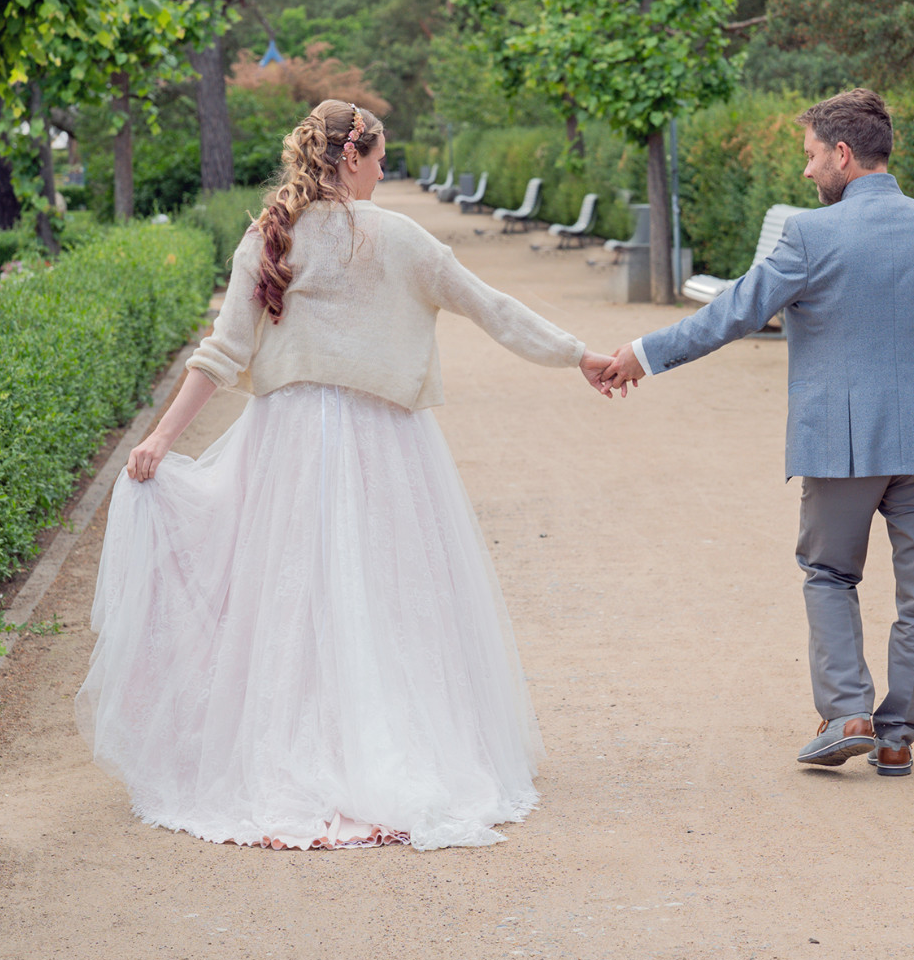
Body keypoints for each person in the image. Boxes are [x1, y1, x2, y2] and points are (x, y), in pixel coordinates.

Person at [78, 99, 616, 850]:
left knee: (290, 598)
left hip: (288, 440)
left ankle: (293, 752)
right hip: (384, 444)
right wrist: (577, 355)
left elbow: (222, 351)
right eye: (379, 159)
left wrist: (162, 439)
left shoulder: (271, 235)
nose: (383, 173)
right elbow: (491, 308)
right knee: (386, 597)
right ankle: (382, 745)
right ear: (352, 156)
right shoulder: (398, 238)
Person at [599, 89, 914, 777]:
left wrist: (642, 355)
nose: (806, 170)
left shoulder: (810, 235)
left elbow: (734, 312)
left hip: (842, 443)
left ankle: (849, 712)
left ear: (843, 154)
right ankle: (897, 738)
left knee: (828, 574)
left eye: (812, 155)